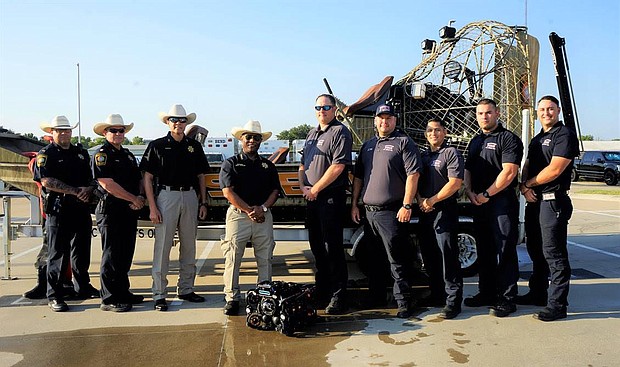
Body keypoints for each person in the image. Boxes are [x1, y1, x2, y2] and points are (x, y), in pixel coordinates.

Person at [351, 104, 420, 318]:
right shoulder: (368, 146)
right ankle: (377, 297)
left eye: (388, 118)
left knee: (397, 259)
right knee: (374, 260)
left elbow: (413, 175)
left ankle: (404, 301)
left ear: (395, 120)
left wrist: (407, 204)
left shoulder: (403, 143)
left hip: (392, 212)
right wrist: (355, 204)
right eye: (381, 118)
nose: (384, 122)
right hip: (369, 213)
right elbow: (359, 178)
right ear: (375, 121)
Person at [140, 104, 209, 311]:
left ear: (187, 123)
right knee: (163, 247)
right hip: (166, 197)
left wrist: (203, 201)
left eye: (182, 120)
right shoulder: (157, 145)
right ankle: (159, 294)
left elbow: (201, 176)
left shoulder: (194, 146)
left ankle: (186, 288)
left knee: (189, 246)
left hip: (189, 196)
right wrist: (152, 207)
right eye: (174, 120)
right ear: (167, 122)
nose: (178, 123)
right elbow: (147, 178)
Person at [518, 95, 579, 321]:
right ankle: (538, 293)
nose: (546, 113)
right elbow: (527, 166)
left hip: (553, 201)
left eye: (550, 109)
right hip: (535, 201)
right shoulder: (538, 138)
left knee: (554, 253)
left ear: (559, 110)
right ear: (537, 113)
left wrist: (528, 184)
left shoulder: (564, 135)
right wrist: (525, 188)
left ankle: (558, 305)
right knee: (535, 250)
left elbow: (555, 170)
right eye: (542, 109)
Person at [463, 98, 523, 317]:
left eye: (488, 113)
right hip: (479, 202)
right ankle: (486, 293)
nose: (484, 117)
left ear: (497, 113)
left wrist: (487, 194)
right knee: (485, 251)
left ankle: (508, 298)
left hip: (500, 203)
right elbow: (468, 168)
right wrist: (470, 192)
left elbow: (509, 172)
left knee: (504, 250)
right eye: (480, 113)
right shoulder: (475, 141)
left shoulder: (508, 139)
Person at [33, 116, 99, 312]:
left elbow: (92, 177)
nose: (64, 134)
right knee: (57, 254)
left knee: (81, 252)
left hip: (80, 208)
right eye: (59, 130)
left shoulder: (80, 152)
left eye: (67, 130)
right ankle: (54, 294)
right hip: (59, 209)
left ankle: (82, 287)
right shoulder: (46, 154)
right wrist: (74, 191)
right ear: (52, 133)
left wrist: (88, 189)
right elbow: (46, 181)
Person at [219, 120, 281, 315]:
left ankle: (264, 296)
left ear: (261, 141)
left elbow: (275, 191)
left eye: (256, 137)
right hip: (239, 216)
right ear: (241, 140)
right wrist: (249, 210)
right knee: (233, 258)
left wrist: (262, 208)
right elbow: (228, 192)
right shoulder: (231, 163)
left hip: (263, 215)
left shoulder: (268, 165)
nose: (252, 141)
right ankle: (232, 297)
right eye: (248, 137)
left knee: (265, 259)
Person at [299, 94, 353, 314]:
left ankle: (339, 296)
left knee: (333, 248)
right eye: (318, 107)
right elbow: (303, 165)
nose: (322, 110)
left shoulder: (340, 132)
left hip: (330, 198)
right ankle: (322, 291)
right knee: (317, 248)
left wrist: (316, 189)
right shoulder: (312, 134)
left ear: (335, 110)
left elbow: (338, 167)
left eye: (326, 107)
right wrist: (304, 187)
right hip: (312, 198)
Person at [91, 114, 146, 312]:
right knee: (111, 255)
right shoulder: (102, 155)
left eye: (121, 130)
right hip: (111, 210)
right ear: (105, 133)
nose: (118, 134)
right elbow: (107, 184)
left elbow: (138, 178)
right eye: (113, 130)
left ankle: (123, 291)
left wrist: (139, 197)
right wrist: (134, 199)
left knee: (125, 254)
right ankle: (108, 298)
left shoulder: (128, 154)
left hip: (129, 210)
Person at [416, 118, 464, 319]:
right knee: (430, 256)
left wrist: (432, 201)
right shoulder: (423, 156)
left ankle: (453, 301)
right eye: (429, 130)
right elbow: (415, 179)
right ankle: (437, 295)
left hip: (444, 210)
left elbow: (455, 183)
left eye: (437, 130)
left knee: (447, 255)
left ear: (444, 132)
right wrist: (421, 201)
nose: (433, 133)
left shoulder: (451, 153)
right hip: (425, 211)